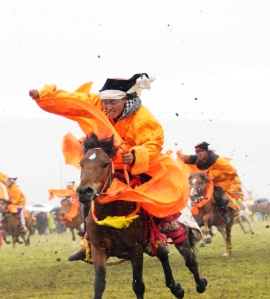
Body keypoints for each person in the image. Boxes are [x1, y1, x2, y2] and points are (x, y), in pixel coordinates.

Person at [30, 73, 189, 261]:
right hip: (108, 164)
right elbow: (76, 101)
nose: (107, 107)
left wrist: (137, 155)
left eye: (112, 103)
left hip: (136, 164)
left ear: (126, 99)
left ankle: (160, 231)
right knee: (86, 191)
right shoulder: (101, 104)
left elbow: (153, 142)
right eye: (105, 102)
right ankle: (88, 239)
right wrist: (46, 96)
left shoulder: (142, 117)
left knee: (151, 191)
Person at [177, 142, 240, 221]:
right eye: (197, 153)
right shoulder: (200, 158)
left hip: (222, 181)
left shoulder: (219, 161)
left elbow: (231, 171)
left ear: (206, 151)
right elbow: (188, 159)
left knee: (217, 196)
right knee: (196, 190)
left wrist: (210, 174)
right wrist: (181, 158)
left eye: (200, 152)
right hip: (208, 179)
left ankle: (225, 214)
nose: (198, 155)